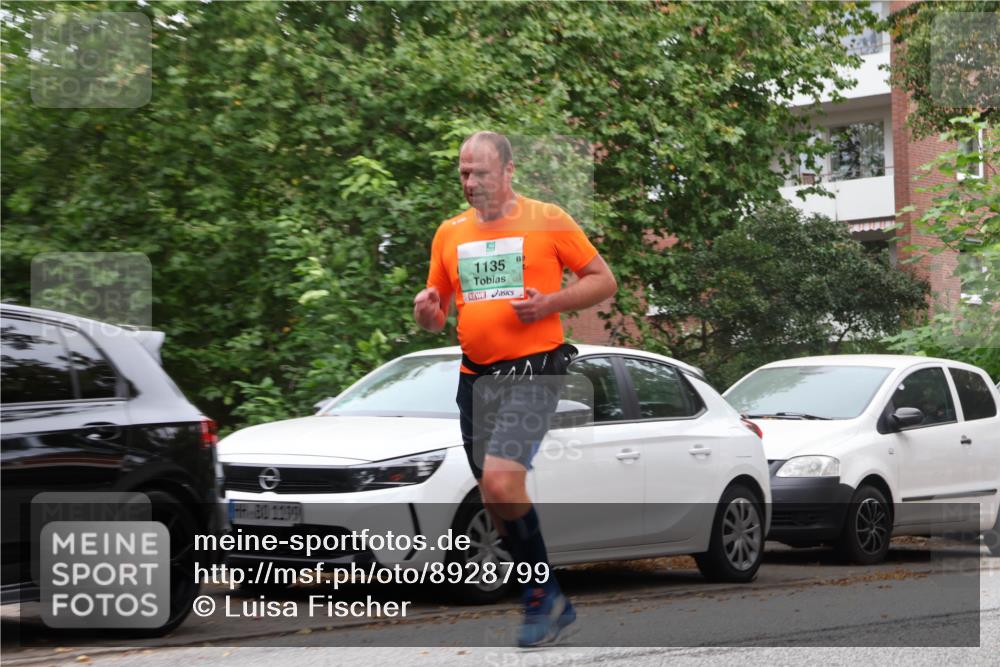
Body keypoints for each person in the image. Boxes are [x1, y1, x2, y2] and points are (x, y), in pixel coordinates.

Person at [413, 131, 617, 647]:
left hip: (534, 370)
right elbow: (437, 315)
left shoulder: (547, 219)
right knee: (494, 497)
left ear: (508, 171)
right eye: (464, 172)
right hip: (475, 377)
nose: (471, 182)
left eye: (481, 172)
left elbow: (603, 280)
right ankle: (547, 596)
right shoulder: (449, 233)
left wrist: (550, 302)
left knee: (503, 485)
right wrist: (427, 312)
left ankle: (539, 595)